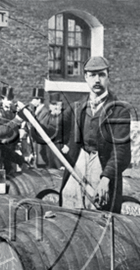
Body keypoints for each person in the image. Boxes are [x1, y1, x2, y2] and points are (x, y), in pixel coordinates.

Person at [60, 56, 131, 213]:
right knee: (69, 205)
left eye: (101, 75)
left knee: (99, 211)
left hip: (103, 166)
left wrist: (106, 178)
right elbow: (54, 132)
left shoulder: (119, 110)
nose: (97, 80)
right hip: (79, 161)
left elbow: (121, 151)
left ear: (108, 77)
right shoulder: (76, 107)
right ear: (86, 77)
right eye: (92, 75)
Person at [30, 92, 73, 169]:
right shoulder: (46, 116)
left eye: (57, 105)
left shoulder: (66, 117)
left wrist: (68, 145)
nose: (55, 107)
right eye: (53, 105)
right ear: (49, 106)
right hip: (48, 151)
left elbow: (73, 132)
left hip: (61, 150)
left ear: (61, 105)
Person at [29, 88, 50, 166]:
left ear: (39, 100)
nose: (32, 101)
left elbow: (41, 128)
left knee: (41, 166)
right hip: (35, 144)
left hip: (41, 145)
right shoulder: (36, 110)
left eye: (34, 99)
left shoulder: (45, 112)